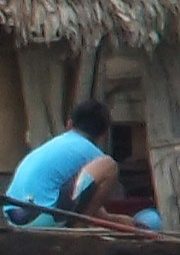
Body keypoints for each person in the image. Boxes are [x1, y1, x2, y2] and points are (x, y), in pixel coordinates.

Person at [5, 98, 159, 232]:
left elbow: (91, 207)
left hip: (14, 218)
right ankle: (79, 228)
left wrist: (121, 222)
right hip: (40, 218)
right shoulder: (93, 154)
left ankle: (80, 224)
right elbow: (89, 209)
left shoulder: (56, 144)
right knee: (109, 166)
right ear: (103, 134)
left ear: (69, 124)